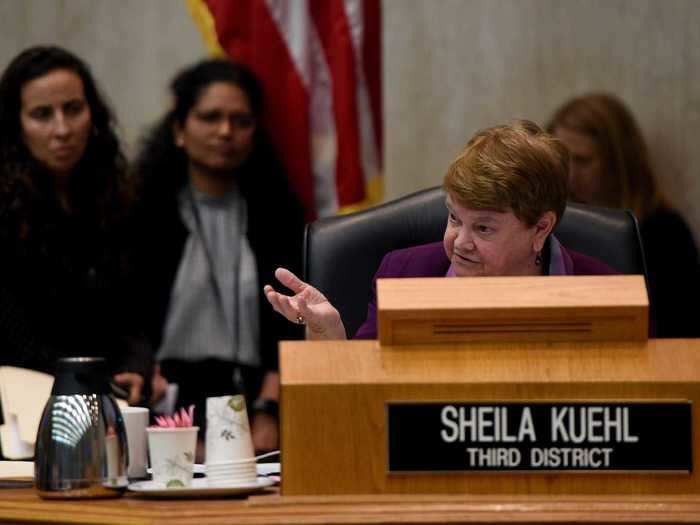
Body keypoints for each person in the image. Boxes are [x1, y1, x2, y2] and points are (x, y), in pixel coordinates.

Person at [265, 120, 616, 340]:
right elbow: (362, 402)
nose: (460, 242)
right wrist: (328, 335)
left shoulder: (605, 295)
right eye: (454, 219)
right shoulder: (404, 274)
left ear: (541, 227)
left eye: (483, 228)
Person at [131, 59, 305, 451]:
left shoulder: (279, 217)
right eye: (210, 117)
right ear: (179, 129)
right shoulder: (139, 214)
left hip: (255, 398)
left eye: (240, 121)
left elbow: (291, 324)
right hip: (162, 398)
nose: (225, 131)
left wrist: (268, 410)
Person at [0, 46, 151, 404]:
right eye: (42, 114)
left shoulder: (118, 197)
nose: (62, 129)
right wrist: (92, 379)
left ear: (93, 114)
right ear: (15, 125)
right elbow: (14, 335)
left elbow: (136, 311)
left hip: (106, 397)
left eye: (73, 109)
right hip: (22, 401)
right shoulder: (5, 213)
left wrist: (137, 366)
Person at [547, 93, 700, 337]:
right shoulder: (547, 227)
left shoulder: (664, 231)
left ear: (618, 162)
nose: (569, 174)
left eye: (583, 161)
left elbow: (682, 328)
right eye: (562, 160)